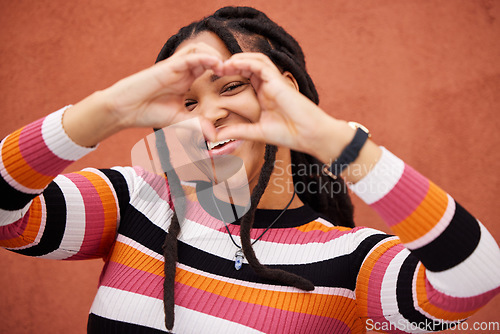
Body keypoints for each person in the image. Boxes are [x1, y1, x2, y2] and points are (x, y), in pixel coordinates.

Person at [1, 6, 499, 334]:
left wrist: (327, 137)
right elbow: (9, 218)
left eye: (231, 87)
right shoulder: (138, 201)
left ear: (285, 89)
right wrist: (107, 110)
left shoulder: (351, 261)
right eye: (187, 101)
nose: (206, 115)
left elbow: (476, 280)